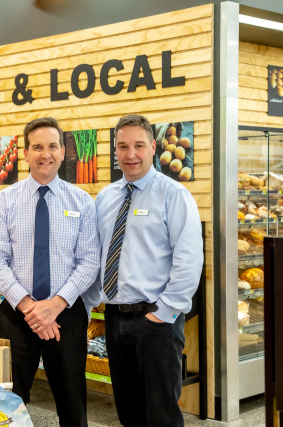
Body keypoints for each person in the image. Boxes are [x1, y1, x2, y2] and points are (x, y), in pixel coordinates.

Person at [0, 117, 100, 427]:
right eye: (37, 147)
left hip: (66, 314)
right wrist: (30, 307)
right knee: (8, 402)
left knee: (72, 404)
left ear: (62, 152)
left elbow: (90, 261)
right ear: (25, 154)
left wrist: (55, 305)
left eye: (52, 146)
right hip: (16, 314)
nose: (45, 154)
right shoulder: (5, 201)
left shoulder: (82, 202)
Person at [94, 114, 203, 427]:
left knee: (161, 415)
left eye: (139, 145)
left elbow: (189, 258)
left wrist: (165, 313)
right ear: (115, 150)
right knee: (128, 412)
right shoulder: (105, 197)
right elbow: (98, 254)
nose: (131, 154)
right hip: (114, 319)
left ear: (153, 147)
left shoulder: (174, 194)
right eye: (123, 146)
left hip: (156, 320)